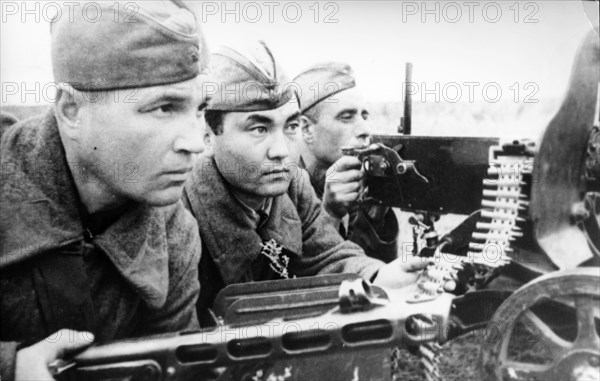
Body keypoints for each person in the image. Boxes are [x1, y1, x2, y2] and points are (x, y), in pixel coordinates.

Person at [0, 2, 208, 380]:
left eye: (199, 110)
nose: (196, 142)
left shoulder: (174, 233)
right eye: (163, 107)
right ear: (72, 111)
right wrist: (9, 368)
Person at [182, 41, 427, 323]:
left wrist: (381, 275)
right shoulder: (179, 210)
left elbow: (330, 257)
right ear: (209, 135)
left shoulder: (293, 187)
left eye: (291, 127)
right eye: (259, 128)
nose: (282, 151)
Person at [292, 62, 400, 264]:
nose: (365, 129)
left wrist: (374, 219)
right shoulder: (281, 190)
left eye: (364, 115)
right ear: (306, 129)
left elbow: (371, 275)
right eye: (346, 117)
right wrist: (330, 215)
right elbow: (289, 280)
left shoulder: (351, 180)